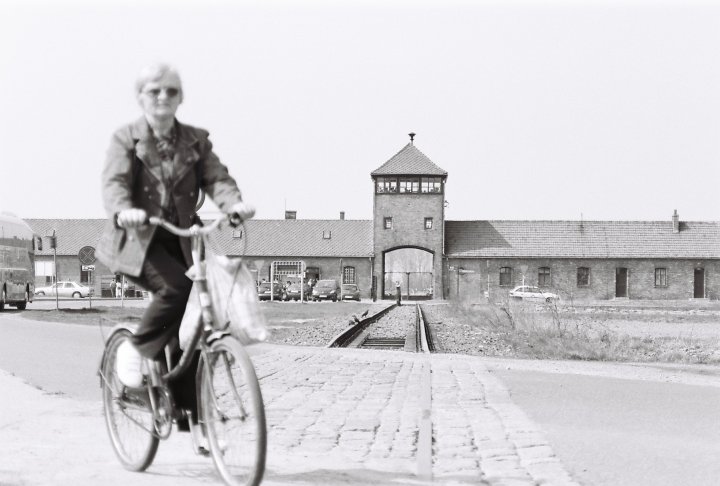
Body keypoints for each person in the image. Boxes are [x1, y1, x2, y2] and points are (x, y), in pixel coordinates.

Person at [96, 63, 255, 403]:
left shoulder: (195, 141)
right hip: (137, 241)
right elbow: (115, 183)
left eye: (171, 90)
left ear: (181, 96)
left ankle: (189, 412)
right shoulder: (126, 140)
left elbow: (217, 179)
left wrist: (233, 205)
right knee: (176, 287)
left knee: (199, 313)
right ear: (140, 97)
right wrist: (125, 210)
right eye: (154, 90)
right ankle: (135, 350)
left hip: (182, 239)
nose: (162, 97)